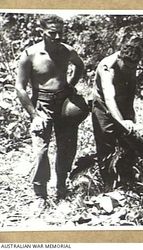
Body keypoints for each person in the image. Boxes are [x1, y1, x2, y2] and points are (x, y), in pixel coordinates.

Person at [15, 15, 85, 207]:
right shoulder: (30, 55)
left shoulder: (67, 51)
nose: (56, 37)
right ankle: (40, 195)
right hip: (41, 105)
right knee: (41, 150)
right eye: (51, 33)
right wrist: (34, 115)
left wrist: (71, 85)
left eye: (60, 33)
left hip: (64, 103)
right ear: (42, 32)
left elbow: (80, 66)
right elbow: (20, 88)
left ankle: (61, 187)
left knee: (66, 147)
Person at [91, 38, 143, 189]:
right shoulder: (108, 67)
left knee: (129, 139)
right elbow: (109, 97)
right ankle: (108, 184)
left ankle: (127, 179)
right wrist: (122, 121)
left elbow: (131, 91)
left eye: (133, 68)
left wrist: (130, 118)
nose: (129, 70)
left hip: (122, 99)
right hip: (102, 103)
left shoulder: (131, 65)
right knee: (106, 140)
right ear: (120, 57)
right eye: (126, 67)